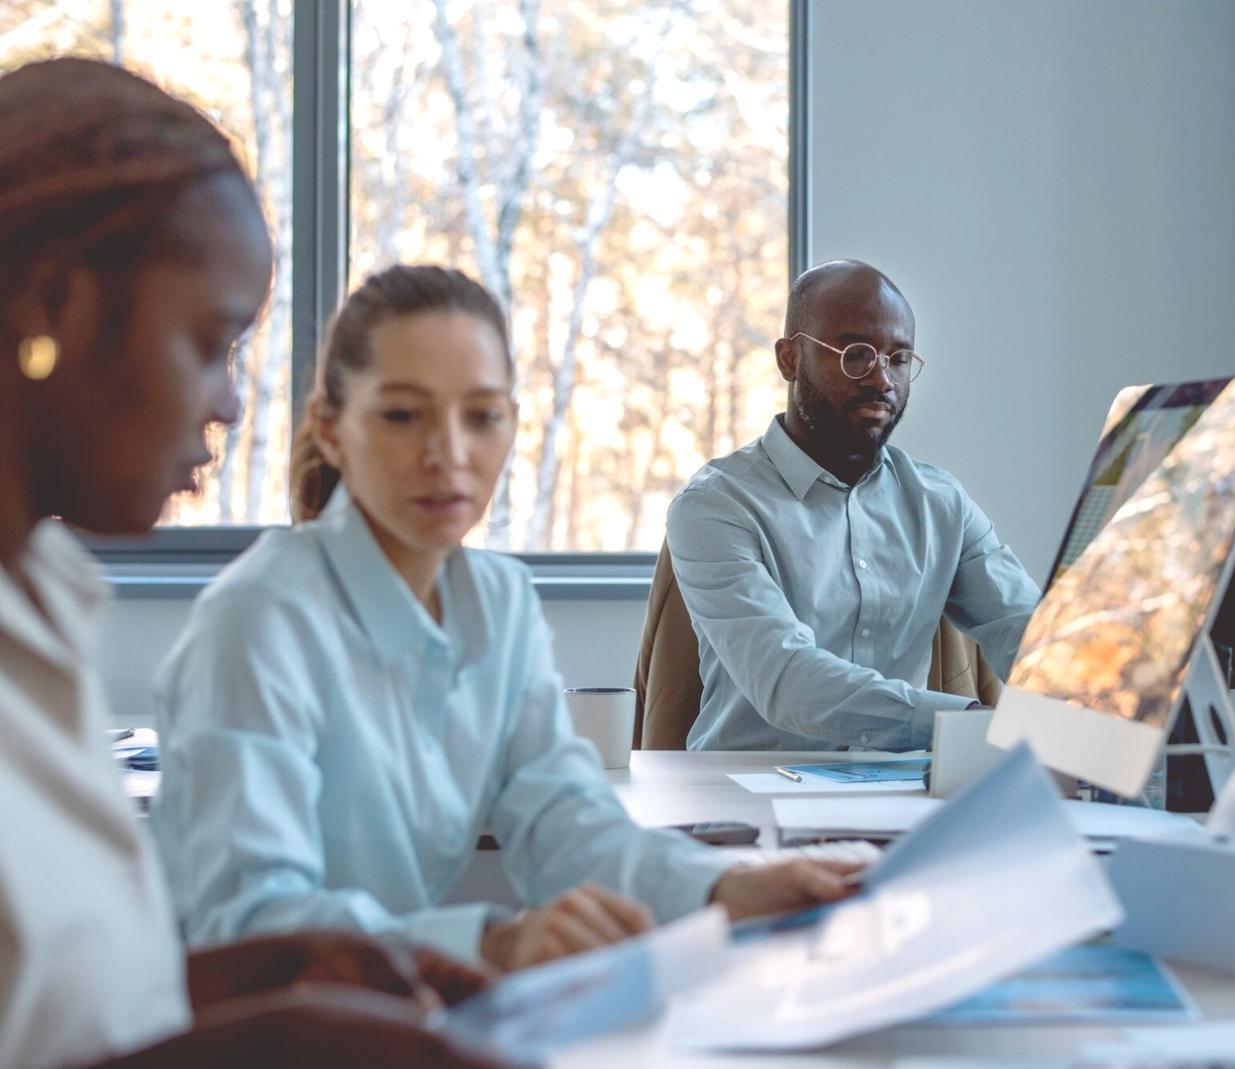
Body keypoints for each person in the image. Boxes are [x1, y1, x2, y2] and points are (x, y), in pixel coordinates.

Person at [0, 57, 513, 1069]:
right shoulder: (251, 610)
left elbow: (46, 1002)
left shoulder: (43, 595)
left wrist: (248, 982)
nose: (231, 403)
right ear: (53, 305)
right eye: (212, 341)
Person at [150, 264, 858, 973]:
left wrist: (726, 888)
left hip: (392, 1017)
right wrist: (489, 943)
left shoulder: (498, 601)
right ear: (331, 433)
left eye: (482, 416)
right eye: (402, 415)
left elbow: (566, 822)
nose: (448, 455)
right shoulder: (258, 618)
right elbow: (246, 919)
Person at [667, 260, 1041, 750]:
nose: (882, 379)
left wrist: (1117, 702)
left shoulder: (941, 503)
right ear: (789, 360)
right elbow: (788, 682)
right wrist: (975, 724)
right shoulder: (716, 505)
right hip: (748, 801)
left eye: (899, 357)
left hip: (899, 798)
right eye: (856, 354)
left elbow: (1031, 637)